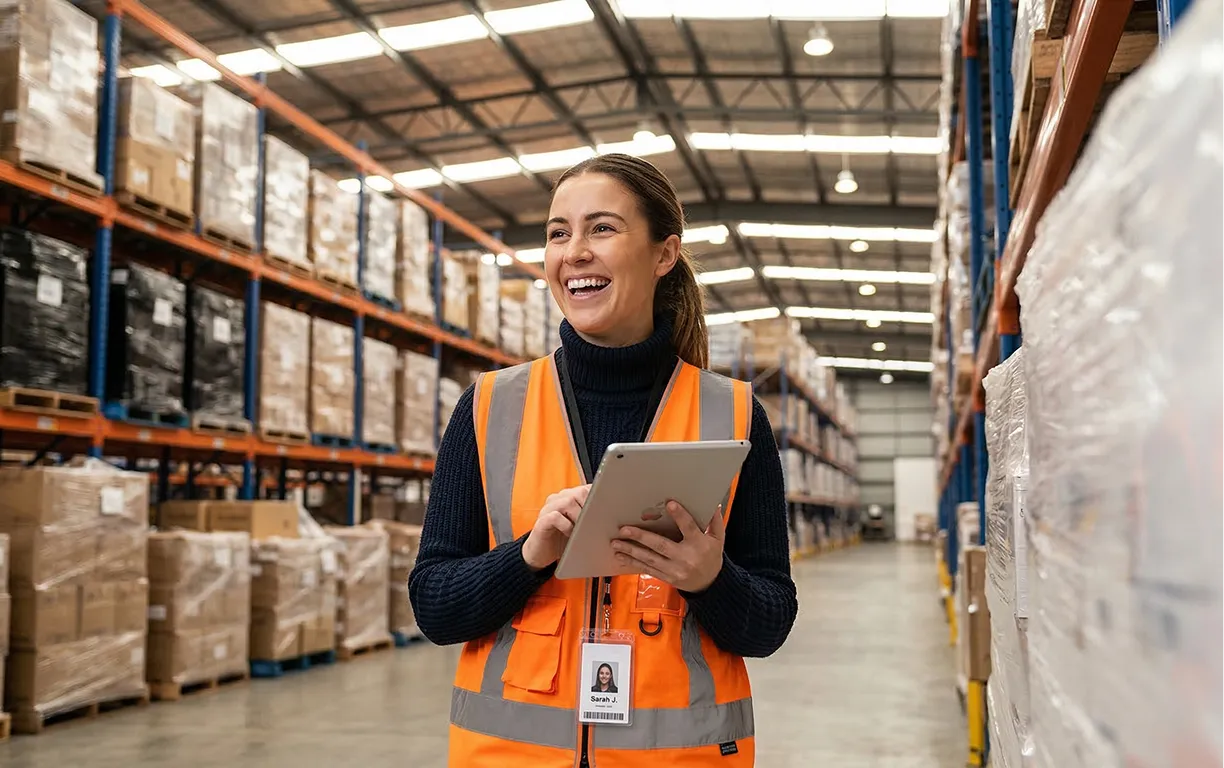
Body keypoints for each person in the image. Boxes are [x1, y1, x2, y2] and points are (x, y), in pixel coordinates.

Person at [409, 153, 798, 768]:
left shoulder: (733, 416)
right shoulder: (489, 408)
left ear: (664, 255)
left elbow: (770, 621)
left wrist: (709, 579)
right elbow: (433, 605)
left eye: (602, 228)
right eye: (558, 233)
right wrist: (529, 555)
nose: (575, 251)